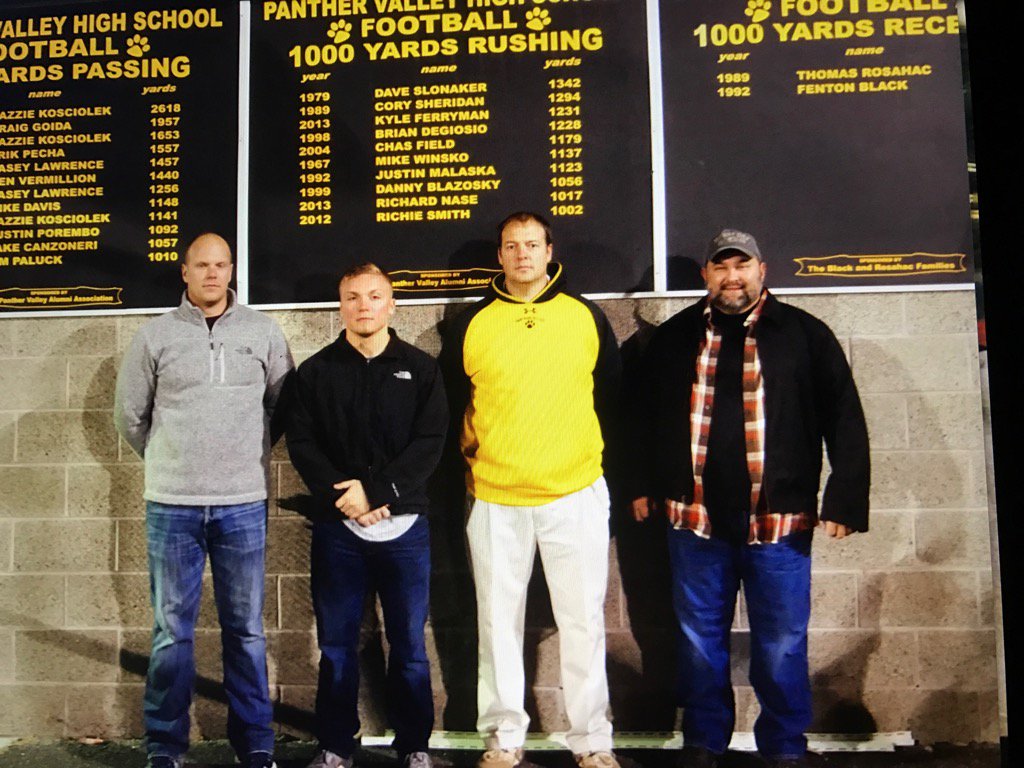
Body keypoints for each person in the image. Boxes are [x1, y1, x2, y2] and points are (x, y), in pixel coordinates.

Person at [629, 229, 871, 768]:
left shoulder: (805, 335)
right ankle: (704, 741)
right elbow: (641, 418)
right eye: (721, 267)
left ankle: (784, 746)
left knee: (782, 641)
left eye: (742, 266)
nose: (732, 277)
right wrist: (641, 485)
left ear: (763, 270)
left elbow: (844, 416)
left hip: (779, 522)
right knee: (698, 638)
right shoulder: (674, 338)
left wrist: (845, 499)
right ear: (706, 276)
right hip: (694, 521)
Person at [440, 211, 622, 768]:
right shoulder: (471, 324)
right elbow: (452, 407)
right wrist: (474, 465)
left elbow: (612, 400)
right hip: (496, 497)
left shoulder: (585, 316)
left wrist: (594, 471)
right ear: (500, 256)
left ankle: (592, 741)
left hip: (575, 493)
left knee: (583, 622)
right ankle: (503, 738)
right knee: (497, 624)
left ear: (549, 251)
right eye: (512, 245)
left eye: (532, 244)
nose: (522, 254)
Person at [113, 233, 293, 768]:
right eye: (202, 265)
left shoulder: (263, 332)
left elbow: (283, 406)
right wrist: (172, 460)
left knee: (247, 631)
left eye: (221, 265)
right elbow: (130, 416)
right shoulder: (155, 336)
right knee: (171, 633)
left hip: (242, 503)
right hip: (172, 506)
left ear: (231, 270)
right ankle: (165, 746)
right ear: (185, 272)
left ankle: (255, 743)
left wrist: (240, 454)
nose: (213, 273)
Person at [285, 264, 448, 768]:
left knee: (409, 646)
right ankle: (336, 745)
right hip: (339, 530)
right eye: (353, 297)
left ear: (391, 304)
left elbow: (429, 444)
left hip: (406, 529)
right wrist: (347, 499)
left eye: (374, 296)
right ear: (341, 306)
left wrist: (377, 493)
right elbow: (303, 444)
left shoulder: (421, 369)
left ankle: (414, 745)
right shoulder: (315, 372)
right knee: (336, 646)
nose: (364, 305)